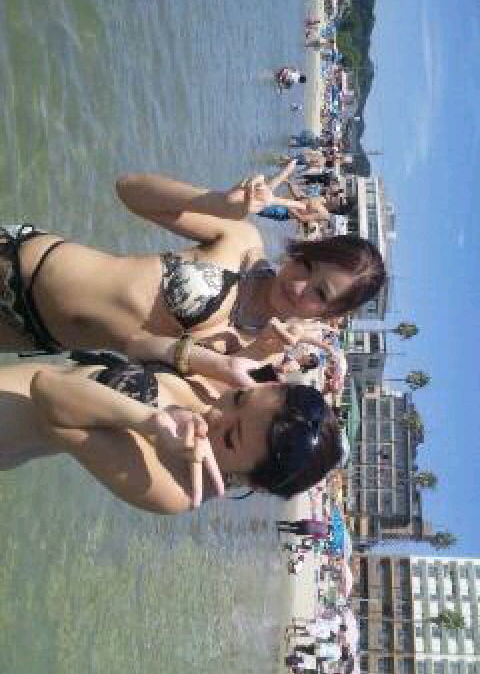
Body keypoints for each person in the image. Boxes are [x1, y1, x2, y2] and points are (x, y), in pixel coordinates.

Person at [0, 168, 386, 373]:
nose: (299, 284)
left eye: (320, 292)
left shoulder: (262, 356)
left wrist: (252, 353)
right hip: (22, 257)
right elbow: (129, 190)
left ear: (331, 313)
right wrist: (216, 202)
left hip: (32, 333)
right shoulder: (242, 240)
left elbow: (160, 386)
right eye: (306, 264)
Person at [0, 355, 342, 513]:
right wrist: (206, 358)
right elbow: (134, 341)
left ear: (254, 481)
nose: (217, 414)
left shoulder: (176, 489)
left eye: (229, 438)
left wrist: (148, 421)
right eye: (240, 398)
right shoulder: (219, 388)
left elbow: (50, 393)